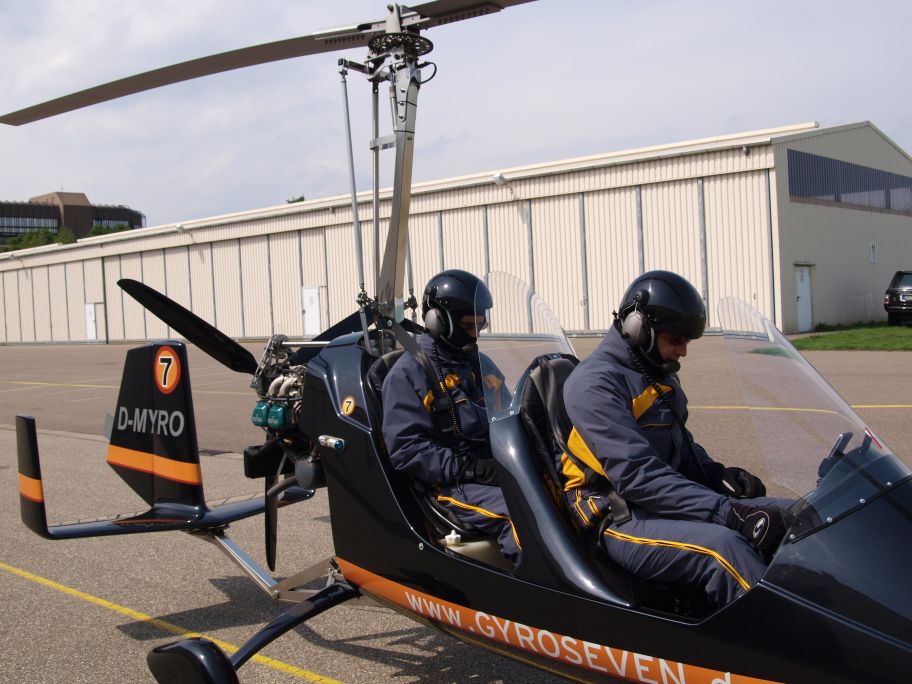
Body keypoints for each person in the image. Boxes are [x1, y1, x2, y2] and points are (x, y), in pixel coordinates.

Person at [560, 269, 791, 607]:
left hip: (662, 505)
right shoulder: (594, 384)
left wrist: (715, 473)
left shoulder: (654, 370)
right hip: (619, 516)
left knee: (795, 518)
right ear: (638, 328)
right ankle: (784, 637)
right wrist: (729, 513)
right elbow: (638, 476)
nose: (683, 351)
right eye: (675, 340)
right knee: (725, 550)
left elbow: (680, 442)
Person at [381, 269, 520, 567]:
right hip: (450, 485)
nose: (477, 334)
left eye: (481, 325)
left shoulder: (480, 364)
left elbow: (509, 416)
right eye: (469, 326)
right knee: (524, 516)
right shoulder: (409, 374)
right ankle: (538, 589)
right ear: (437, 322)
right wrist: (471, 469)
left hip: (496, 471)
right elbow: (408, 451)